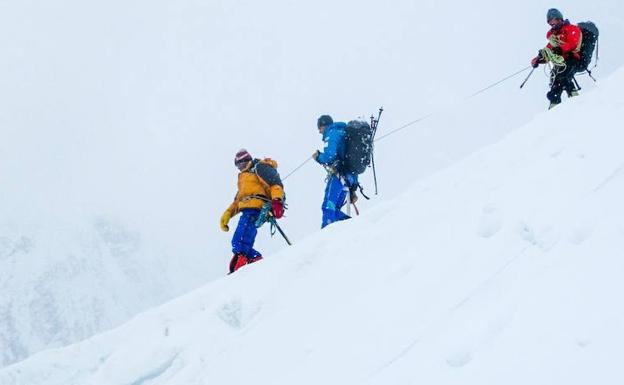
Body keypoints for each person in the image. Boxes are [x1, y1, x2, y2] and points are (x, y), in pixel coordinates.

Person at [220, 149, 285, 274]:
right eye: (237, 165)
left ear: (247, 160)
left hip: (256, 208)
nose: (240, 167)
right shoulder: (243, 177)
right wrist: (228, 214)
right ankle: (255, 262)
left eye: (242, 163)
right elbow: (239, 199)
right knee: (242, 241)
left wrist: (277, 201)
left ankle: (241, 266)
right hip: (247, 209)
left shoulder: (259, 167)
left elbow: (275, 184)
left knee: (239, 241)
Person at [312, 115, 359, 229]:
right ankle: (353, 227)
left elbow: (329, 156)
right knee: (334, 209)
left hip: (339, 176)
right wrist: (353, 188)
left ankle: (325, 236)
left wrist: (318, 157)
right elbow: (354, 165)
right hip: (349, 179)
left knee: (328, 207)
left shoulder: (332, 132)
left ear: (324, 125)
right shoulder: (345, 134)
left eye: (320, 128)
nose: (319, 131)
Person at [531, 8, 583, 109]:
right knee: (558, 78)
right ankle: (568, 99)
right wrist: (537, 59)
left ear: (559, 19)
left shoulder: (572, 29)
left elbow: (573, 43)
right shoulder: (554, 37)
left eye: (552, 19)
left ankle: (557, 102)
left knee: (561, 76)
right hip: (562, 63)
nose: (550, 23)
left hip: (573, 59)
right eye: (549, 21)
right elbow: (548, 52)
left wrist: (560, 49)